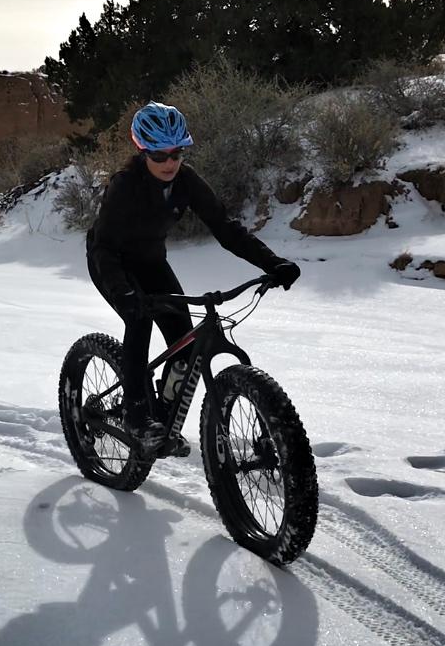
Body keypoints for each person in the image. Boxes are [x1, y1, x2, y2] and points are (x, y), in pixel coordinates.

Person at [86, 101, 301, 456]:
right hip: (112, 263)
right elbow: (104, 248)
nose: (170, 162)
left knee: (184, 342)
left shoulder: (187, 182)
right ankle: (137, 418)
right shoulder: (124, 187)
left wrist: (272, 264)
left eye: (177, 153)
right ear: (143, 151)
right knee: (138, 322)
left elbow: (226, 229)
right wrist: (122, 292)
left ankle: (162, 414)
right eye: (160, 155)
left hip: (151, 261)